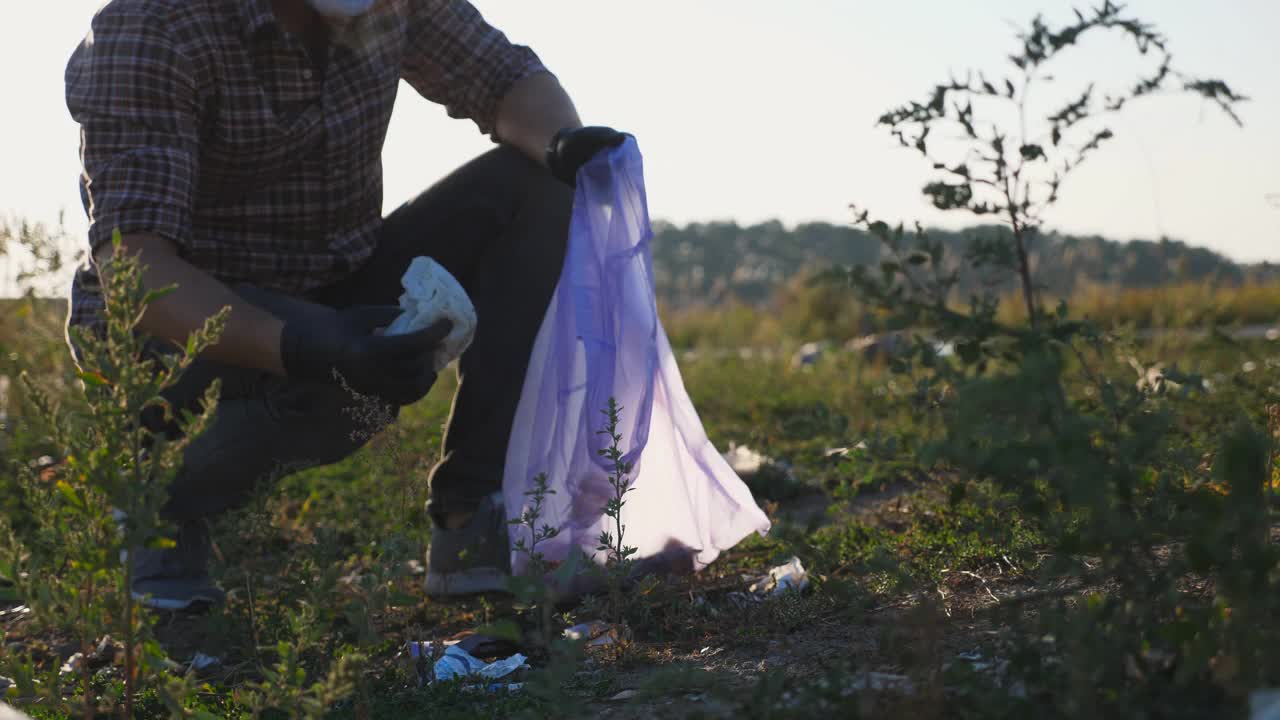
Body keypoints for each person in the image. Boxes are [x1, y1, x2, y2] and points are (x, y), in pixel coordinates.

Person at [64, 0, 627, 610]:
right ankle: (154, 509)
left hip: (329, 291)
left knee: (541, 181)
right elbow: (137, 274)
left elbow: (506, 80)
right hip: (175, 344)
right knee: (346, 387)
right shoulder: (155, 25)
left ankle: (474, 518)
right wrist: (308, 345)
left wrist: (565, 143)